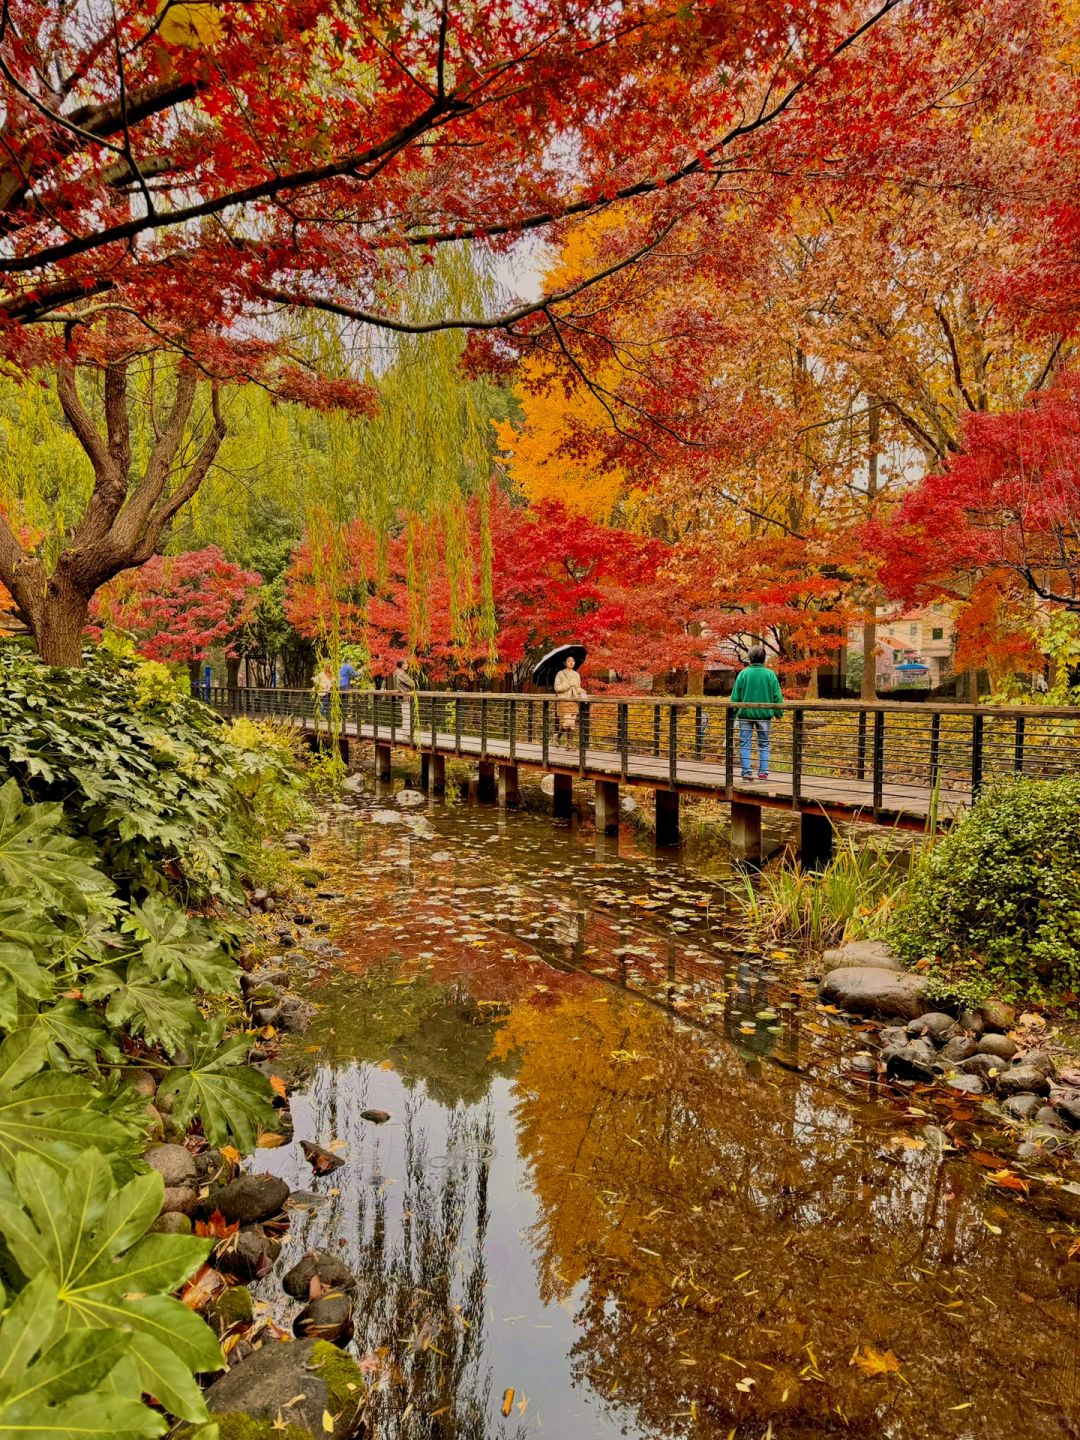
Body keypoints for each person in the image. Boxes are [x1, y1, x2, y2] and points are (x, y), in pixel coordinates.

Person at [730, 645, 783, 781]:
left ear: (750, 658)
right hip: (764, 715)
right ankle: (763, 773)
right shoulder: (770, 674)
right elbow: (777, 697)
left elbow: (735, 697)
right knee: (764, 744)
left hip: (745, 715)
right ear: (763, 658)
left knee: (745, 744)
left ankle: (747, 773)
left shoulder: (743, 673)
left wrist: (734, 713)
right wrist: (778, 713)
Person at [553, 654, 584, 744]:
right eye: (569, 661)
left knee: (572, 725)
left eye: (573, 661)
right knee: (568, 723)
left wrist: (582, 691)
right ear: (565, 663)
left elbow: (577, 688)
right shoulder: (560, 673)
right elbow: (557, 688)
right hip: (563, 700)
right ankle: (557, 736)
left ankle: (569, 744)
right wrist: (568, 685)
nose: (571, 662)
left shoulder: (576, 674)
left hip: (573, 701)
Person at [389, 657, 416, 737]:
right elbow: (412, 684)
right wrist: (412, 681)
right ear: (400, 664)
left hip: (402, 696)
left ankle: (406, 733)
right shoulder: (401, 674)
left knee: (406, 715)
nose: (406, 665)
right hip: (405, 697)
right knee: (407, 715)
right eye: (404, 663)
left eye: (407, 663)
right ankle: (406, 734)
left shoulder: (396, 672)